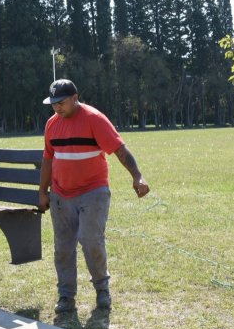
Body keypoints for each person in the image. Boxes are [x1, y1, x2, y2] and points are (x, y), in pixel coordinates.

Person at [38, 79, 150, 313]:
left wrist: (137, 176)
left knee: (90, 240)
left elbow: (119, 149)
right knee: (63, 247)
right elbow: (48, 158)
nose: (57, 107)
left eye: (62, 102)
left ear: (75, 98)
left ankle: (102, 290)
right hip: (61, 193)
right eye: (53, 104)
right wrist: (43, 191)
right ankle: (66, 296)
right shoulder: (51, 124)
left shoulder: (94, 119)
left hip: (93, 191)